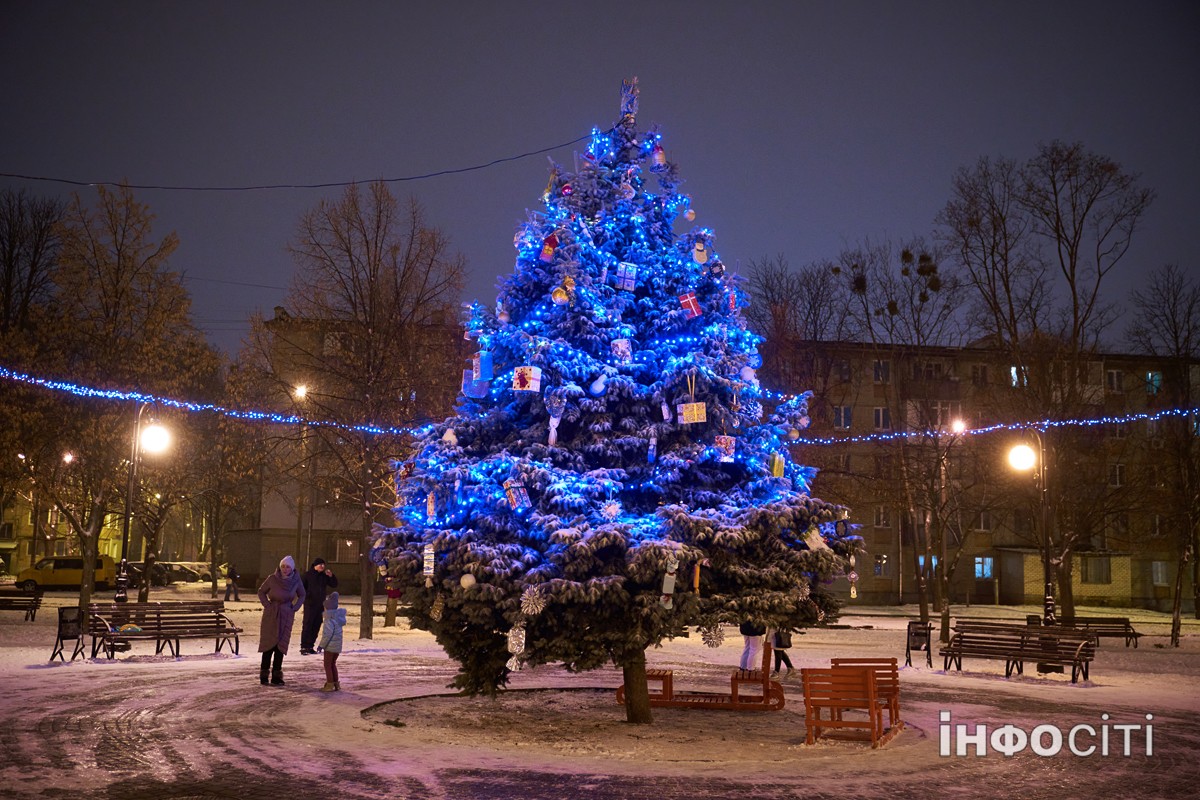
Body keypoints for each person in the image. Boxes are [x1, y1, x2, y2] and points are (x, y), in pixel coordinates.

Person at [258, 555, 305, 686]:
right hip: (271, 614)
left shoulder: (296, 580)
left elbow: (302, 594)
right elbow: (261, 591)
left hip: (286, 614)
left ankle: (277, 676)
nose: (285, 569)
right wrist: (267, 605)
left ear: (292, 568)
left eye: (287, 567)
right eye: (283, 566)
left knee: (280, 645)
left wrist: (294, 608)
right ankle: (264, 674)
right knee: (268, 644)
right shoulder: (272, 579)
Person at [300, 557, 338, 655]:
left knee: (317, 624)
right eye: (320, 564)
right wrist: (307, 596)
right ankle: (304, 646)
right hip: (310, 604)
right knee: (308, 624)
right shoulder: (308, 575)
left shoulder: (324, 576)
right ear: (315, 565)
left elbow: (334, 584)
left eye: (323, 564)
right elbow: (301, 588)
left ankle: (310, 645)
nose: (322, 566)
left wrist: (331, 576)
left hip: (320, 604)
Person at [317, 591, 347, 692]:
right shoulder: (338, 618)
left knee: (327, 665)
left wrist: (321, 645)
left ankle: (330, 684)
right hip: (337, 646)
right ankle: (336, 683)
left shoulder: (329, 619)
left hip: (330, 646)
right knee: (333, 663)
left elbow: (327, 635)